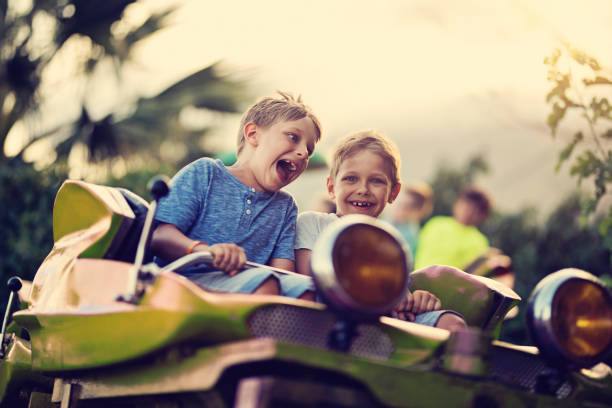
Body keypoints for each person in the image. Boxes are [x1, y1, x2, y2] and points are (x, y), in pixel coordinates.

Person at [151, 91, 321, 300]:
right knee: (265, 283)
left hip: (247, 282)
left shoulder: (285, 206)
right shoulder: (206, 173)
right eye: (293, 137)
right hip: (182, 281)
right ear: (253, 135)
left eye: (309, 150)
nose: (303, 152)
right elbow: (159, 237)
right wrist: (207, 252)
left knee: (307, 290)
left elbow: (283, 272)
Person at [294, 130, 467, 330]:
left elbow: (397, 294)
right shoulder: (313, 223)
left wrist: (415, 301)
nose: (363, 190)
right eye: (351, 179)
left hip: (381, 321)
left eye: (376, 181)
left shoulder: (389, 241)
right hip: (328, 317)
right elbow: (310, 284)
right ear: (331, 187)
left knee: (453, 324)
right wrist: (386, 302)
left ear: (393, 192)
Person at [387, 181, 433, 257]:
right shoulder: (387, 219)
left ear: (416, 213)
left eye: (405, 207)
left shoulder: (411, 235)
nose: (398, 209)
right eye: (398, 202)